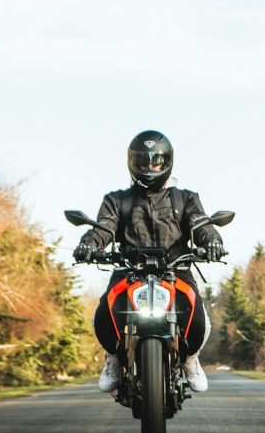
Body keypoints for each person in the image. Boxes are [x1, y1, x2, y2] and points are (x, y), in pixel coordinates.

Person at [73, 130, 226, 393]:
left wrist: (212, 241)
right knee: (104, 311)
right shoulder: (117, 201)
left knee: (197, 314)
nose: (150, 167)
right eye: (144, 161)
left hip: (175, 269)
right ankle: (112, 357)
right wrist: (89, 244)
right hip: (129, 269)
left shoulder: (185, 199)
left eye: (155, 161)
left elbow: (201, 225)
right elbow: (103, 229)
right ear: (133, 162)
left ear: (167, 162)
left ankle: (190, 359)